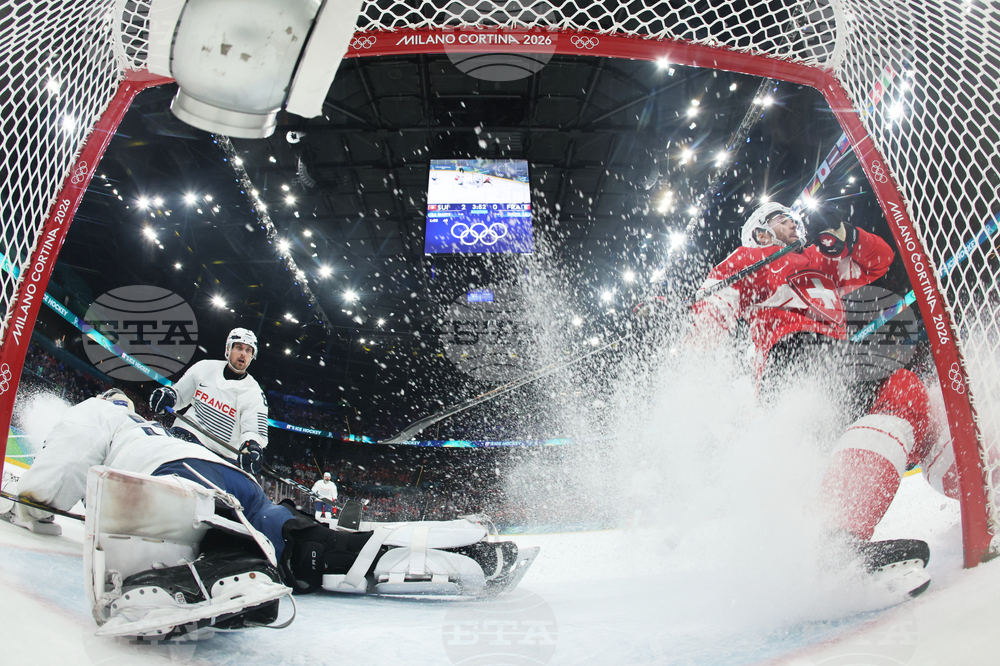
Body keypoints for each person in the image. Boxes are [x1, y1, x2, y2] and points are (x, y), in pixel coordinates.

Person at [13, 389, 534, 637]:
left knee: (225, 525)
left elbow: (62, 462)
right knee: (312, 550)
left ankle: (233, 565)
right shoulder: (153, 425)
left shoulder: (104, 414)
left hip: (184, 474)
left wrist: (33, 508)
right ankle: (471, 555)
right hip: (238, 483)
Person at [688, 201, 937, 596]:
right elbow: (720, 296)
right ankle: (834, 546)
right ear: (761, 231)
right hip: (794, 356)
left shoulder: (818, 260)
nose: (793, 222)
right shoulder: (760, 255)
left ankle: (840, 545)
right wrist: (700, 335)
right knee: (897, 386)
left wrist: (847, 237)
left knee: (903, 394)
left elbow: (879, 262)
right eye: (780, 219)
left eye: (793, 218)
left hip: (830, 355)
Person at [149, 327, 268, 475]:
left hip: (221, 456)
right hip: (185, 436)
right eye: (239, 347)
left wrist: (253, 447)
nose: (243, 353)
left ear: (252, 356)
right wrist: (167, 397)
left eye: (249, 350)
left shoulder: (254, 393)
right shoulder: (205, 367)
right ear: (228, 349)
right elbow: (179, 395)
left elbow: (253, 432)